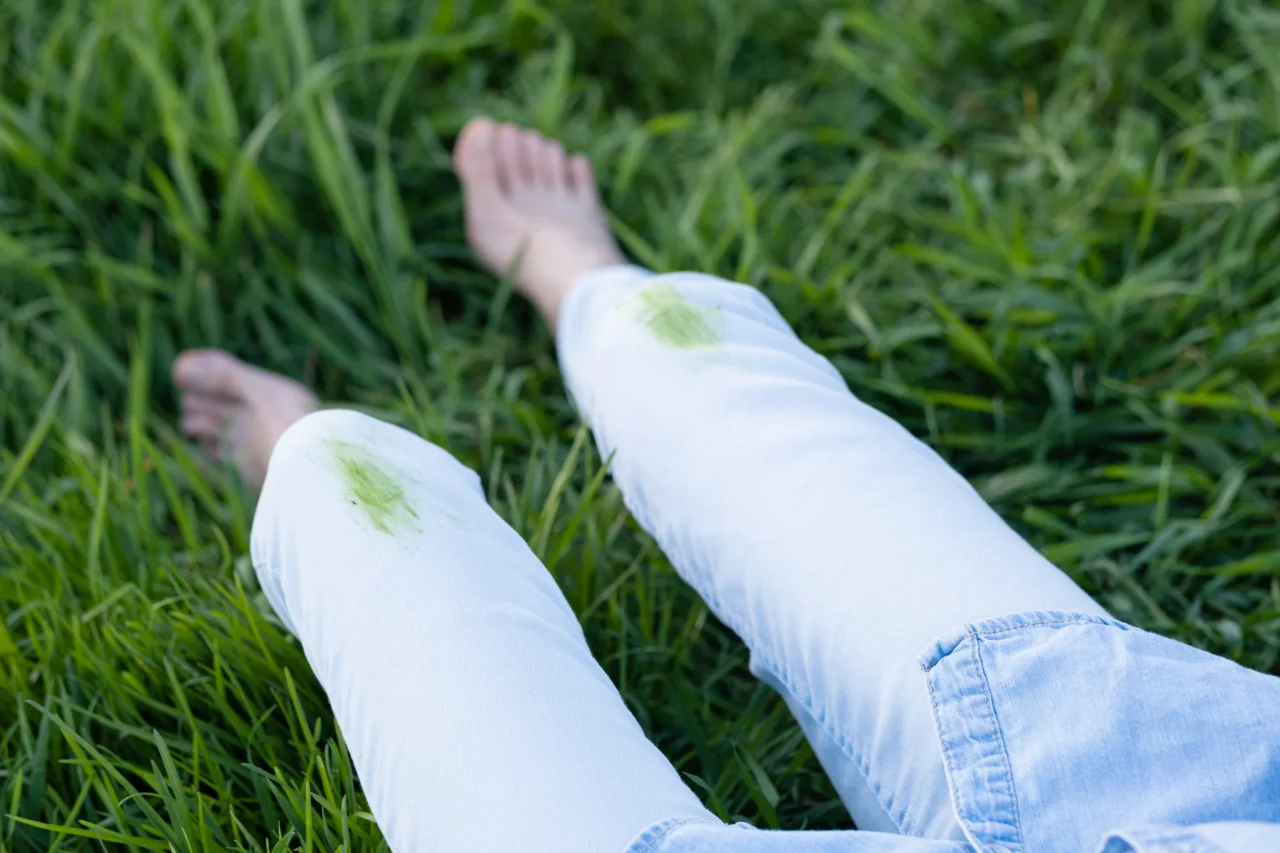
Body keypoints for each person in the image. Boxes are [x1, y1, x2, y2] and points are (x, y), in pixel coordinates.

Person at [172, 118, 1280, 853]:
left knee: (347, 496)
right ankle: (589, 295)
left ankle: (310, 460)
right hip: (1177, 784)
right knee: (709, 375)